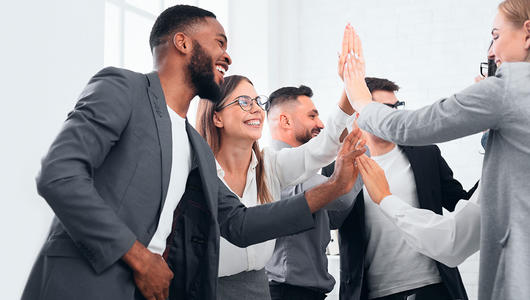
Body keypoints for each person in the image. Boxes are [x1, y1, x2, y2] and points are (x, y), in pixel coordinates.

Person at [22, 5, 365, 300]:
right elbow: (60, 175)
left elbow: (239, 224)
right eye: (219, 43)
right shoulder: (123, 87)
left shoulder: (194, 146)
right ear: (182, 42)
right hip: (85, 284)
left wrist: (333, 188)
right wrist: (140, 259)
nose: (228, 56)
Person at [342, 1, 530, 299]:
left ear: (527, 34)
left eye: (495, 35)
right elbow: (457, 237)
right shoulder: (342, 167)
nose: (491, 53)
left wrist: (361, 100)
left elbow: (414, 125)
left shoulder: (510, 88)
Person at [195, 75, 364, 299]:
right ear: (217, 117)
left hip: (260, 290)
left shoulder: (270, 166)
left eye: (257, 101)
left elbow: (323, 146)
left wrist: (350, 88)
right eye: (244, 102)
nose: (256, 109)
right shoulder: (197, 174)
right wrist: (335, 185)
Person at [324, 76, 473, 300]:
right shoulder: (338, 168)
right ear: (359, 114)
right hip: (374, 293)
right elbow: (328, 224)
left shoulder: (426, 154)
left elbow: (463, 203)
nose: (392, 115)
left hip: (435, 287)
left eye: (396, 107)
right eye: (384, 109)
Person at [264, 85, 361, 300]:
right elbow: (342, 197)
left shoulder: (303, 171)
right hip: (287, 292)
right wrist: (362, 147)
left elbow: (333, 218)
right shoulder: (277, 167)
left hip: (303, 292)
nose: (320, 123)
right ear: (285, 121)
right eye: (312, 116)